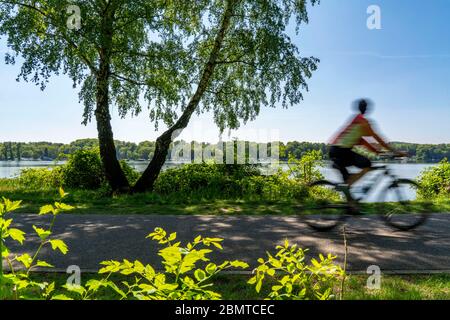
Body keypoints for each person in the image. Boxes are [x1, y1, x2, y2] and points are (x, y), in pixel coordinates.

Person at [329, 98, 404, 186]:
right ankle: (350, 182)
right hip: (341, 151)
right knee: (367, 164)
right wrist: (394, 151)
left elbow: (363, 142)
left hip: (335, 151)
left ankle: (349, 187)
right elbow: (377, 138)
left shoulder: (356, 120)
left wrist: (377, 152)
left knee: (349, 179)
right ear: (367, 109)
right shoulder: (363, 122)